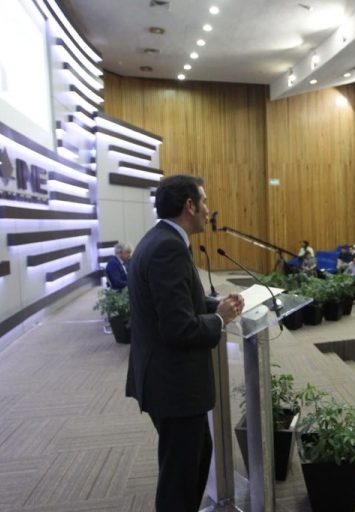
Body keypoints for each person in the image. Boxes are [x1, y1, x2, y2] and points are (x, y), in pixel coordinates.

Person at [126, 175, 244, 512]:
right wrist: (219, 319)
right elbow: (178, 327)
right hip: (174, 387)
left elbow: (177, 302)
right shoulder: (167, 248)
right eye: (204, 201)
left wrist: (216, 305)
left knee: (190, 466)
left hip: (166, 383)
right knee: (180, 482)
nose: (209, 210)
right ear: (189, 206)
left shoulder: (160, 240)